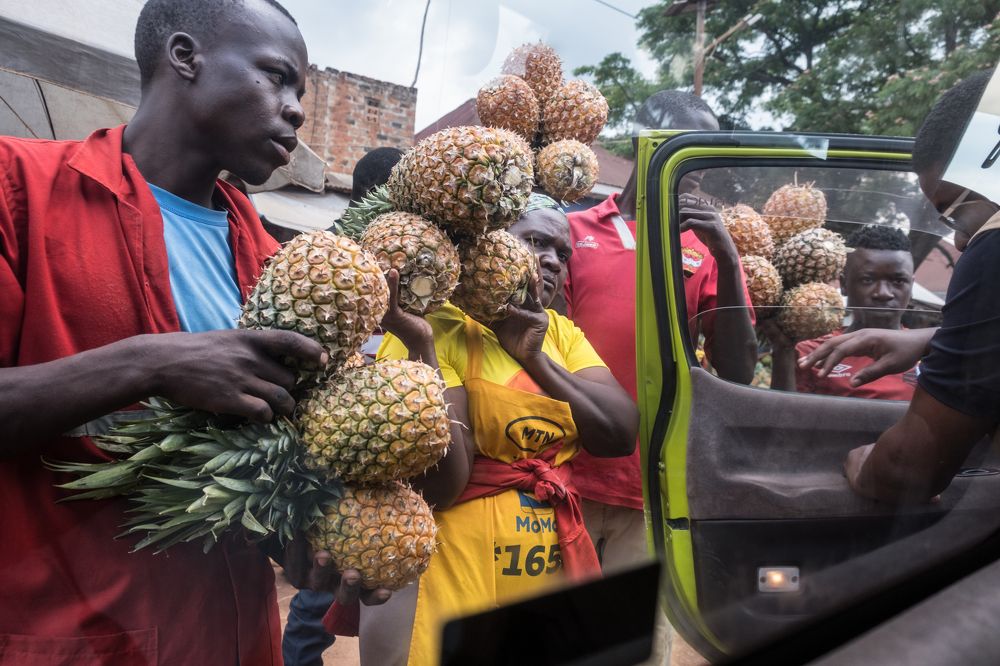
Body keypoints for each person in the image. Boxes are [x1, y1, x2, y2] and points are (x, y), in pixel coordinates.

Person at [0, 1, 389, 663]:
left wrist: (304, 538)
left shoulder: (277, 263)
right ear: (185, 57)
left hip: (232, 638)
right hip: (72, 641)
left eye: (301, 91)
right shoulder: (18, 185)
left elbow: (260, 470)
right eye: (276, 77)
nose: (295, 107)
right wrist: (151, 363)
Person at [358, 194, 640, 666]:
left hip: (540, 580)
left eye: (562, 253)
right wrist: (422, 349)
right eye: (534, 241)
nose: (551, 259)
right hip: (445, 576)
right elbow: (445, 484)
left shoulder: (560, 335)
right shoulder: (432, 329)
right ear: (487, 248)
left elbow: (618, 434)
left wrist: (534, 358)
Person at [564, 90, 756, 574]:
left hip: (655, 478)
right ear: (644, 142)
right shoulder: (571, 229)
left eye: (705, 152)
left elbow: (738, 369)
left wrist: (729, 258)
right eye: (683, 145)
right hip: (565, 472)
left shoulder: (707, 248)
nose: (696, 163)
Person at [809, 70, 1000, 503]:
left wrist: (860, 461)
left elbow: (904, 472)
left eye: (953, 210)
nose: (958, 239)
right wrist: (935, 338)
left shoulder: (993, 249)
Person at [282, 145, 405, 666]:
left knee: (356, 569)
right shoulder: (330, 251)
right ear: (382, 197)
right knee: (320, 578)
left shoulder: (404, 250)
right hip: (335, 432)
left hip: (381, 427)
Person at [768, 225, 917, 399]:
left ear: (911, 286)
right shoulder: (813, 353)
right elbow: (784, 416)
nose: (883, 293)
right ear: (844, 285)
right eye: (867, 280)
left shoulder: (929, 354)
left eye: (898, 281)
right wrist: (782, 352)